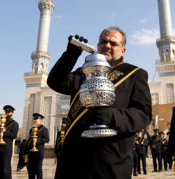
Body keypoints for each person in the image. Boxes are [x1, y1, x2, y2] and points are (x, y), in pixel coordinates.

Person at [47, 27, 152, 179]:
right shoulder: (83, 72)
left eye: (113, 43)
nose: (107, 45)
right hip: (73, 161)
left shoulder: (134, 74)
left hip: (110, 162)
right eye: (103, 41)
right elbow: (55, 82)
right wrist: (70, 55)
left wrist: (112, 116)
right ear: (97, 46)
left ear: (123, 50)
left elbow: (143, 114)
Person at [0, 105, 19, 179]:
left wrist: (5, 131)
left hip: (6, 148)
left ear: (12, 113)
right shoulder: (3, 123)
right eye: (6, 112)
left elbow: (14, 135)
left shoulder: (14, 123)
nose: (7, 113)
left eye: (9, 112)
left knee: (6, 168)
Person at [26, 113, 50, 179]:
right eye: (34, 119)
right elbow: (29, 141)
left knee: (38, 169)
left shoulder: (44, 129)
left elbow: (47, 139)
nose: (35, 120)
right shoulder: (31, 129)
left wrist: (38, 140)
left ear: (40, 120)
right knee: (31, 170)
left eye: (36, 119)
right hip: (31, 152)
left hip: (39, 153)